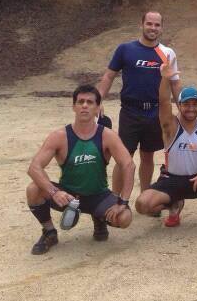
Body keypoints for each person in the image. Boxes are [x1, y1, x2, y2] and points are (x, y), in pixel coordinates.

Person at [25, 85, 136, 255]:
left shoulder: (107, 135)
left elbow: (128, 165)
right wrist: (54, 192)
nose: (85, 105)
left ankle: (99, 218)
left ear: (98, 108)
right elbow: (34, 167)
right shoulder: (59, 136)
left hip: (98, 196)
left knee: (125, 218)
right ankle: (49, 232)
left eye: (90, 102)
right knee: (33, 189)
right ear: (73, 106)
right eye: (80, 102)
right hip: (68, 196)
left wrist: (123, 202)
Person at [134, 61, 197, 236]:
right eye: (187, 104)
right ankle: (175, 204)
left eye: (195, 105)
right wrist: (165, 79)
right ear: (179, 105)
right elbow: (163, 101)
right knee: (143, 205)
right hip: (172, 180)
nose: (191, 108)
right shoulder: (171, 125)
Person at [97, 11, 181, 193]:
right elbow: (109, 76)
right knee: (124, 157)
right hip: (130, 111)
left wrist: (182, 108)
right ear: (141, 24)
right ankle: (115, 200)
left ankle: (145, 196)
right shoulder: (125, 49)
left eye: (157, 25)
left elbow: (175, 83)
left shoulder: (167, 53)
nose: (153, 28)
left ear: (161, 28)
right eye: (149, 24)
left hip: (155, 112)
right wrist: (98, 100)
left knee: (148, 156)